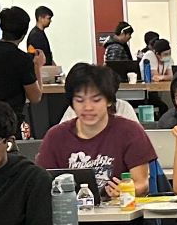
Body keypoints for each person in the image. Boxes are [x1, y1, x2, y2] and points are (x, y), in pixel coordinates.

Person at [36, 65, 157, 199]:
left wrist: (126, 190)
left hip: (119, 215)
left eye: (96, 100)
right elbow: (42, 185)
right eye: (80, 100)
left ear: (109, 100)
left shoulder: (130, 131)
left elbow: (142, 184)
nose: (88, 107)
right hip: (70, 215)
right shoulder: (56, 137)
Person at [26, 5, 54, 71]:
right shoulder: (35, 35)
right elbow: (36, 57)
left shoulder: (40, 33)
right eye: (48, 18)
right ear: (40, 18)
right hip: (41, 72)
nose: (50, 21)